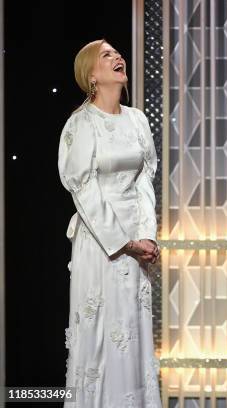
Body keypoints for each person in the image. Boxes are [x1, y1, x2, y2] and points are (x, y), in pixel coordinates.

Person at [58, 39, 162, 407]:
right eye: (107, 55)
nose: (118, 57)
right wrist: (126, 244)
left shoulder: (137, 119)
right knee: (101, 337)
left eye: (117, 53)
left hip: (137, 246)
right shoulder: (80, 124)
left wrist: (147, 237)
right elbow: (82, 187)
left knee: (132, 334)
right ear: (91, 75)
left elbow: (144, 181)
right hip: (102, 244)